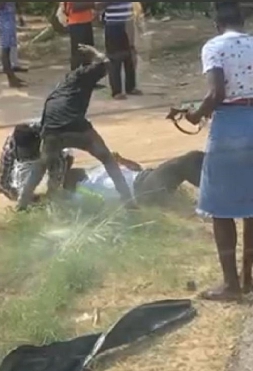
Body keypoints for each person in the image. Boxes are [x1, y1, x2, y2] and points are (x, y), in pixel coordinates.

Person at [181, 2, 253, 300]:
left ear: (217, 23)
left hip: (229, 128)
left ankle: (231, 285)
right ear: (242, 21)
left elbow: (216, 94)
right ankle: (249, 278)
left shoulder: (214, 47)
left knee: (221, 210)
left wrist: (195, 115)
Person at [40, 43, 136, 209]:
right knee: (107, 158)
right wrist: (94, 51)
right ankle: (128, 200)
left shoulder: (64, 82)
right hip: (73, 124)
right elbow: (106, 64)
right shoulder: (85, 74)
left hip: (50, 128)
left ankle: (52, 205)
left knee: (52, 168)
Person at [63, 150, 204, 204]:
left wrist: (122, 161)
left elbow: (137, 168)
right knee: (190, 160)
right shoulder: (82, 191)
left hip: (146, 179)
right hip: (142, 189)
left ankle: (215, 193)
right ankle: (216, 198)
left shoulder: (96, 171)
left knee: (194, 160)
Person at [0, 120, 73, 210]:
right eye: (25, 156)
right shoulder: (10, 148)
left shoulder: (51, 140)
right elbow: (1, 184)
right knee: (22, 191)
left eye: (30, 155)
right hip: (32, 158)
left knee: (59, 184)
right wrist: (26, 198)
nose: (28, 157)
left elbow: (61, 163)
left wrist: (51, 194)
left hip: (51, 147)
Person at [97, 2, 142, 100]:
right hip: (113, 24)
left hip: (128, 22)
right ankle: (116, 91)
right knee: (114, 58)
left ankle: (130, 87)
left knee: (130, 55)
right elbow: (98, 5)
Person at [0, 2, 27, 73]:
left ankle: (14, 64)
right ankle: (6, 67)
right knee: (3, 44)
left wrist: (19, 15)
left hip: (9, 19)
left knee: (12, 43)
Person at [0, 2, 27, 87]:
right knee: (5, 49)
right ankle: (10, 78)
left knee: (9, 49)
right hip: (5, 21)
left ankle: (12, 76)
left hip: (9, 20)